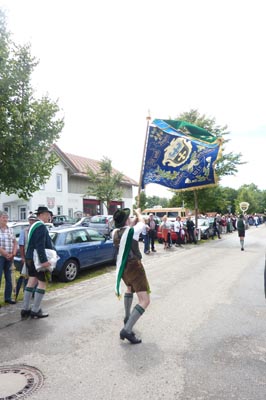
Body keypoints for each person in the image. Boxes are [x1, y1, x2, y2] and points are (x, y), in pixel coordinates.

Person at [112, 208, 150, 344]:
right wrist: (139, 213)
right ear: (127, 220)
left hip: (123, 269)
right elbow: (142, 222)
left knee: (129, 288)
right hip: (134, 267)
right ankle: (127, 330)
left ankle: (127, 317)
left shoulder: (115, 233)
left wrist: (131, 220)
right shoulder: (132, 231)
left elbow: (128, 227)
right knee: (145, 300)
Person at [21, 206, 56, 319]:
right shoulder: (40, 226)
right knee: (42, 283)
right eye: (47, 214)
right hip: (38, 260)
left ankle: (25, 309)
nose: (49, 217)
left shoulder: (33, 226)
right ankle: (35, 310)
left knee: (31, 282)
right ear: (41, 215)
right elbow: (39, 245)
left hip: (30, 258)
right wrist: (44, 261)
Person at [15, 213, 38, 300]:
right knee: (26, 275)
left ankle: (34, 292)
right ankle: (26, 292)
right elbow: (21, 245)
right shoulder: (24, 231)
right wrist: (23, 257)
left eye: (33, 220)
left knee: (36, 275)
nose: (32, 221)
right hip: (27, 257)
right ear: (29, 221)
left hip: (36, 257)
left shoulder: (37, 230)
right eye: (30, 220)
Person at [0, 211, 18, 306]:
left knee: (9, 278)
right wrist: (5, 253)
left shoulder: (10, 230)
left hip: (10, 257)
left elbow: (15, 242)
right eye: (3, 217)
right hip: (1, 257)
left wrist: (13, 253)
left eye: (7, 218)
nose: (5, 219)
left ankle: (7, 298)